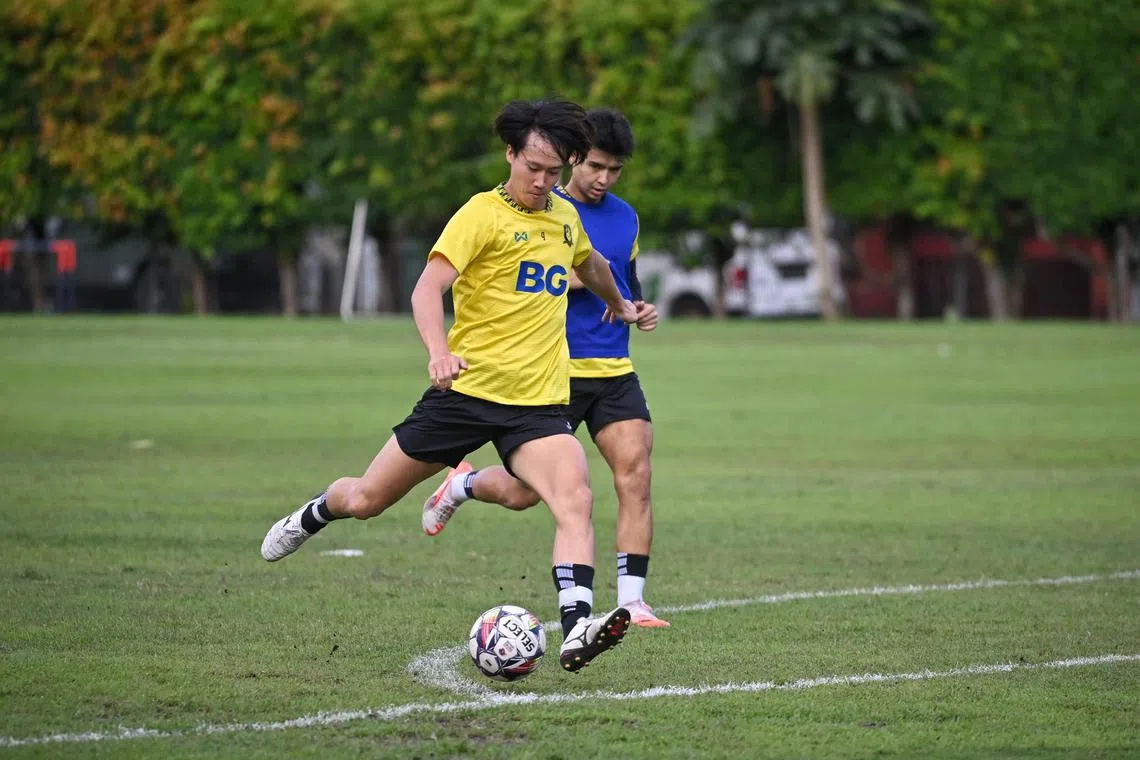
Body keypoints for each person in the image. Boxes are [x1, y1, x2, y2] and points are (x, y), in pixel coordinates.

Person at [260, 98, 640, 673]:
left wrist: (620, 305)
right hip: (464, 394)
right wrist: (439, 352)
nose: (542, 181)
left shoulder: (565, 218)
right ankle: (314, 513)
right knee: (366, 500)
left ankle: (576, 626)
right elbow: (426, 288)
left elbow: (590, 265)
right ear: (510, 155)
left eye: (553, 171)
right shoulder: (480, 215)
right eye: (532, 168)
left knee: (574, 498)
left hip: (536, 403)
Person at [421, 108, 669, 628]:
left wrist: (634, 305)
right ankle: (462, 485)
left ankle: (632, 600)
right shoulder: (543, 208)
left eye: (615, 170)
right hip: (549, 377)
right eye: (595, 166)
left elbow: (622, 277)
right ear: (573, 159)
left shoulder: (625, 217)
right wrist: (575, 278)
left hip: (613, 367)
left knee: (636, 473)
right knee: (524, 493)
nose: (603, 178)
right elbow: (539, 274)